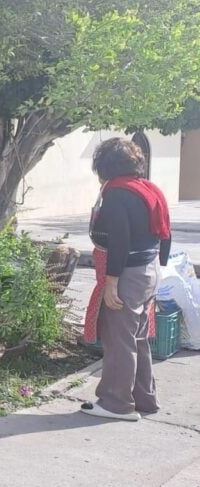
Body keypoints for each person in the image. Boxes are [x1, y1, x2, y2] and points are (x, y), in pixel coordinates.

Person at [81, 137, 171, 421]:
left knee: (119, 339)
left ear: (104, 165)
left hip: (127, 273)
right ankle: (144, 398)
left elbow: (120, 239)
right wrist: (160, 265)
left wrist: (112, 281)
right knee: (138, 338)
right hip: (149, 270)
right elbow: (166, 232)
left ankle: (117, 403)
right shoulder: (148, 188)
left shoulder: (117, 193)